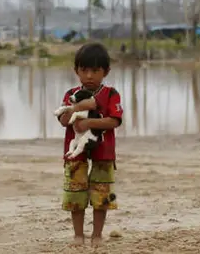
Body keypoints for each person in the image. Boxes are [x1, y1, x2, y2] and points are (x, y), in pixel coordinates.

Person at [56, 42, 123, 248]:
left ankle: (97, 234)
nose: (89, 76)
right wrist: (78, 106)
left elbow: (114, 120)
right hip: (75, 152)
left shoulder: (111, 94)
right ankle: (78, 235)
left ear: (106, 71)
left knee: (101, 194)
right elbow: (64, 120)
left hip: (103, 151)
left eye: (95, 71)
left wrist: (88, 123)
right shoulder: (71, 94)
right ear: (76, 71)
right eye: (84, 70)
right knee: (75, 192)